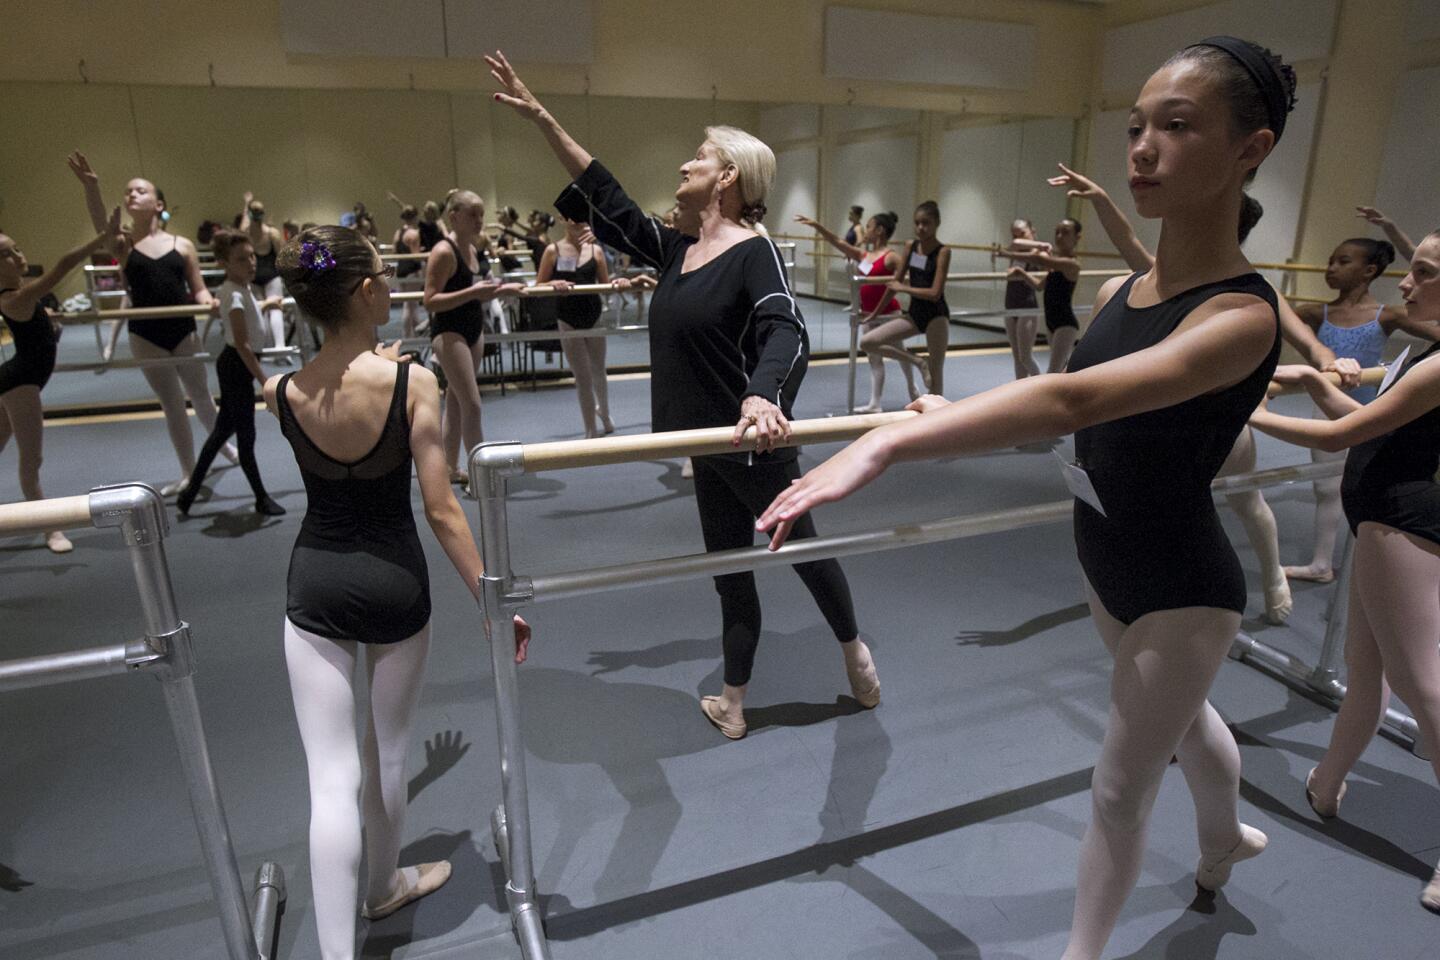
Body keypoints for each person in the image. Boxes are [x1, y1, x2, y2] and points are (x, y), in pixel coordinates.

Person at [758, 37, 1296, 957]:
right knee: (1187, 719)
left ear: (1252, 148)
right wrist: (946, 406)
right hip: (1104, 556)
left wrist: (893, 441)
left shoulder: (1242, 317)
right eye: (1135, 128)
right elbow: (1071, 427)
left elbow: (1075, 396)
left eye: (1177, 126)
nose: (1142, 149)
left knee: (1121, 791)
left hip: (1181, 583)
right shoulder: (1128, 286)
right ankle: (1224, 841)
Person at [489, 49, 879, 739]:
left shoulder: (754, 251)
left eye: (696, 160)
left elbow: (785, 329)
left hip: (746, 440)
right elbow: (605, 195)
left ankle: (855, 650)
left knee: (803, 553)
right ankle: (734, 700)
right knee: (730, 572)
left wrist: (763, 397)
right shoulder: (677, 249)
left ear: (726, 177)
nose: (682, 168)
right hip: (698, 444)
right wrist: (544, 118)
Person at [266, 226, 532, 959]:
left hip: (315, 581)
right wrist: (489, 597)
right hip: (394, 584)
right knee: (385, 754)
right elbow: (443, 508)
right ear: (366, 292)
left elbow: (336, 388)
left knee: (331, 780)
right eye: (386, 274)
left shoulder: (280, 392)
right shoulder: (413, 381)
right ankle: (382, 887)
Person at [1049, 162, 1364, 624]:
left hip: (1215, 423)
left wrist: (1332, 361)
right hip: (1153, 425)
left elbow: (1307, 339)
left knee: (1245, 499)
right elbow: (1130, 244)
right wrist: (1099, 198)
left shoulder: (1249, 294)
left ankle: (1272, 573)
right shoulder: (1160, 280)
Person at [1248, 228, 1440, 914]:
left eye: (1423, 272)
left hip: (1404, 529)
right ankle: (1328, 781)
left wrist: (1251, 409)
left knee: (1421, 685)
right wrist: (1302, 376)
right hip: (1381, 525)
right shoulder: (1422, 354)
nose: (1406, 285)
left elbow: (1339, 436)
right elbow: (1367, 421)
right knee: (1368, 670)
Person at [68, 151, 235, 496]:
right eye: (128, 192)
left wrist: (211, 303)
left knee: (202, 396)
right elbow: (103, 226)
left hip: (183, 329)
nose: (131, 195)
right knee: (172, 404)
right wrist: (92, 189)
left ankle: (222, 445)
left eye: (140, 191)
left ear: (159, 204)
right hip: (146, 334)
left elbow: (199, 289)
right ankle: (190, 472)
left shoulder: (182, 245)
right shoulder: (124, 244)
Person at [1284, 238, 1436, 583]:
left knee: (1362, 481)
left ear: (1369, 271)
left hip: (1374, 410)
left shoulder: (1389, 315)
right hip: (1333, 407)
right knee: (1327, 488)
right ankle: (1322, 561)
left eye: (1343, 262)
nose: (1332, 268)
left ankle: (1341, 562)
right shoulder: (1314, 312)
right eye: (1331, 261)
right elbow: (1266, 323)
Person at [0, 209, 122, 553]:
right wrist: (101, 239)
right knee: (31, 461)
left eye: (16, 249)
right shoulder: (15, 298)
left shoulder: (20, 296)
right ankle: (49, 528)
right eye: (5, 255)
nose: (16, 257)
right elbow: (63, 267)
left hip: (14, 379)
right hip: (20, 383)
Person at [175, 231, 285, 517]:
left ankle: (189, 494)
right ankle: (261, 497)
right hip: (237, 367)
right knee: (245, 438)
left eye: (251, 256)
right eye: (241, 259)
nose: (250, 263)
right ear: (224, 263)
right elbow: (242, 343)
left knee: (221, 433)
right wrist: (264, 379)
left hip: (235, 366)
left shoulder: (239, 289)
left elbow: (245, 317)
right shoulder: (234, 293)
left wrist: (265, 305)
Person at [423, 189, 524, 484]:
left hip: (473, 328)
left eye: (481, 214)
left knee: (456, 402)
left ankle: (451, 468)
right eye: (473, 214)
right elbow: (430, 300)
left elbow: (477, 289)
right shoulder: (443, 251)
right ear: (454, 217)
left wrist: (501, 290)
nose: (480, 220)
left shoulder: (473, 248)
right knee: (473, 404)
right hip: (449, 331)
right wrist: (473, 293)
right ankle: (481, 476)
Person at [794, 211, 905, 410]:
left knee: (901, 352)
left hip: (888, 313)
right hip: (867, 313)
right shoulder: (864, 255)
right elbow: (837, 241)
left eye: (869, 227)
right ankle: (875, 403)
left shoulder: (892, 257)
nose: (866, 231)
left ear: (879, 230)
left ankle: (914, 387)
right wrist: (817, 226)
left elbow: (906, 278)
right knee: (874, 357)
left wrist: (890, 282)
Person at [535, 216, 631, 437]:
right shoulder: (553, 250)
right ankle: (590, 427)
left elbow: (606, 284)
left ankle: (604, 412)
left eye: (580, 219)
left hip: (593, 315)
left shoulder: (595, 250)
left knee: (599, 370)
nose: (577, 224)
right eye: (572, 219)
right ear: (562, 220)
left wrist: (618, 283)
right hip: (568, 319)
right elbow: (539, 284)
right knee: (582, 376)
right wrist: (552, 283)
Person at [857, 201, 951, 398]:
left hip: (937, 316)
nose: (920, 228)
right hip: (915, 315)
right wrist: (873, 315)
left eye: (926, 223)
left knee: (936, 378)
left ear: (937, 223)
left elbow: (935, 293)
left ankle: (936, 422)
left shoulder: (943, 251)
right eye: (917, 223)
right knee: (868, 342)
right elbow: (894, 285)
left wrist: (904, 288)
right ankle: (917, 360)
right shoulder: (911, 246)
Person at [1000, 217, 1083, 373]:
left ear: (1077, 237)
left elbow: (1039, 259)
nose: (1059, 236)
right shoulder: (1055, 264)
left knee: (1053, 372)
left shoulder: (1072, 264)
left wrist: (1006, 254)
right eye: (1057, 232)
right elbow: (1039, 286)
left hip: (1065, 324)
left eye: (1065, 233)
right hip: (1051, 322)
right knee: (1059, 371)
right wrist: (1022, 273)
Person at [993, 218, 1048, 379]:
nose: (1018, 238)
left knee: (1025, 356)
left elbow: (1042, 283)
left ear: (1033, 231)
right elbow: (1015, 246)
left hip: (1027, 306)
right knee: (1017, 358)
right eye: (1014, 235)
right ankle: (1020, 392)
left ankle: (1041, 387)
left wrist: (1022, 273)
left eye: (1023, 233)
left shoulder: (1040, 254)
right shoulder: (1015, 250)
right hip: (1010, 304)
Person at [241, 191, 288, 357]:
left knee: (264, 309)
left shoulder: (247, 234)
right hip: (263, 275)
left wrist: (246, 203)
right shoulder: (270, 233)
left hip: (261, 276)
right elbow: (282, 256)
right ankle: (277, 347)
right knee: (272, 309)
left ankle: (270, 347)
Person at [391, 204, 425, 337]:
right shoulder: (414, 234)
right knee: (411, 305)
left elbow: (395, 251)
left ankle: (415, 333)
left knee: (410, 304)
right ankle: (408, 336)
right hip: (412, 271)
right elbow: (416, 257)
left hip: (401, 270)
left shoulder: (398, 233)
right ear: (415, 217)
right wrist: (424, 252)